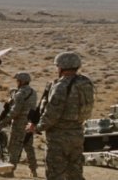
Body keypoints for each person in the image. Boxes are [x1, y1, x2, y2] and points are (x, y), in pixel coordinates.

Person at [27, 52, 95, 180]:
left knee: (55, 174)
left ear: (62, 67)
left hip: (59, 137)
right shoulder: (85, 83)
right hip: (77, 134)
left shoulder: (61, 86)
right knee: (75, 173)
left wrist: (37, 128)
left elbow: (52, 114)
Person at [0, 72, 38, 178]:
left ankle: (10, 171)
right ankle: (33, 170)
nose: (17, 82)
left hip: (19, 124)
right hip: (29, 123)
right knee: (28, 146)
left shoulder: (20, 94)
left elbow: (15, 111)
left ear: (22, 81)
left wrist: (3, 121)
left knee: (13, 147)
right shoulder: (33, 92)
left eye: (18, 81)